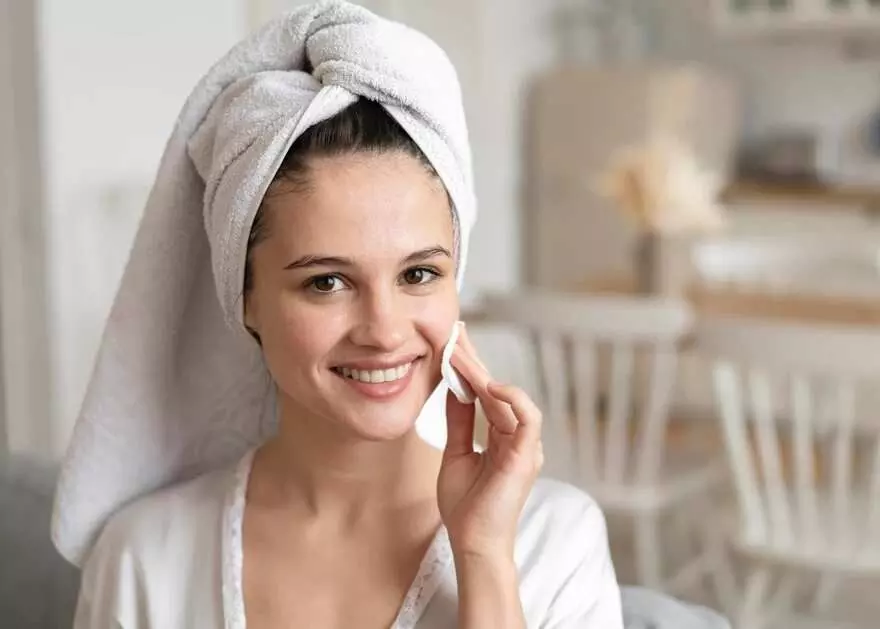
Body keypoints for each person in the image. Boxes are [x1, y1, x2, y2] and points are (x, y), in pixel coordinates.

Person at [52, 3, 622, 628]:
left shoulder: (551, 543)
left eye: (418, 274)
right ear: (245, 297)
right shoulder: (146, 562)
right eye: (326, 282)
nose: (385, 330)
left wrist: (483, 555)